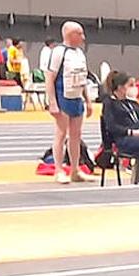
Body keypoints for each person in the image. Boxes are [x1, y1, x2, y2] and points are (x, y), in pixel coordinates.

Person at [46, 21, 94, 185]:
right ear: (69, 35)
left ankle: (75, 169)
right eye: (79, 34)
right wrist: (52, 101)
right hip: (62, 96)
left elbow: (83, 79)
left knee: (76, 135)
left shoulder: (80, 53)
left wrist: (88, 100)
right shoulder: (59, 52)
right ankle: (59, 170)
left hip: (77, 97)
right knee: (61, 134)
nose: (83, 37)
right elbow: (50, 77)